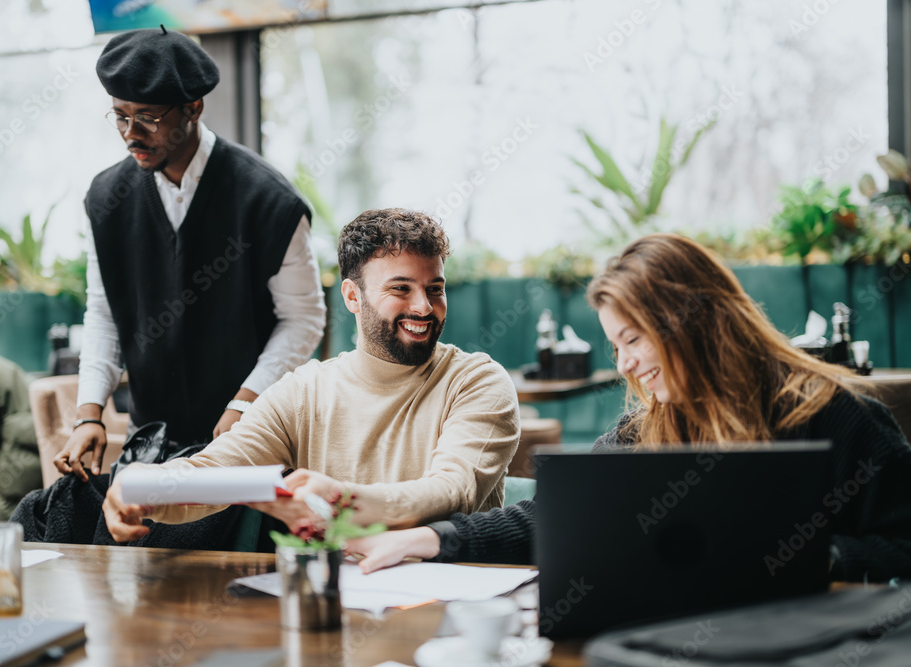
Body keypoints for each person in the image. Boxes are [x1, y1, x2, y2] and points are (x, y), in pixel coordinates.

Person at [346, 233, 911, 583]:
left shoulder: (836, 416)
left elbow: (900, 549)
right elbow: (557, 516)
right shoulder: (650, 424)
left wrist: (805, 559)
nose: (623, 365)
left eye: (634, 340)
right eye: (616, 346)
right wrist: (428, 539)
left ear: (693, 322)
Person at [102, 208, 521, 542]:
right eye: (401, 289)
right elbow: (215, 472)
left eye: (435, 288)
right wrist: (144, 484)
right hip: (336, 598)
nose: (424, 308)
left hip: (451, 596)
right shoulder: (304, 390)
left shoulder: (477, 381)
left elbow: (453, 491)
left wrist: (341, 501)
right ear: (352, 296)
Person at [56, 27, 325, 481]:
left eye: (147, 118)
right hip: (151, 441)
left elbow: (305, 317)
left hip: (252, 437)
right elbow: (104, 313)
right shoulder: (106, 198)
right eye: (120, 117)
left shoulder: (268, 201)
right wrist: (90, 414)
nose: (130, 134)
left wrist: (246, 401)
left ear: (193, 108)